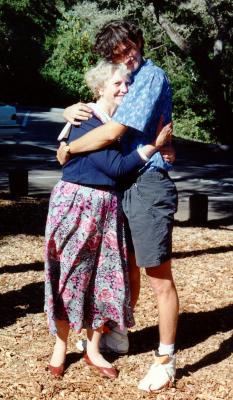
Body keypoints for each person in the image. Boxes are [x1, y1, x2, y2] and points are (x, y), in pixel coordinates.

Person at [57, 20, 179, 392]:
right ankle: (119, 333)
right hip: (121, 183)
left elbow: (113, 132)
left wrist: (69, 147)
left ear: (138, 41)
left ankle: (166, 359)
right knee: (125, 267)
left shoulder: (150, 77)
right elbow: (102, 109)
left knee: (159, 276)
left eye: (129, 47)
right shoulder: (125, 78)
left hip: (147, 183)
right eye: (118, 54)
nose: (127, 56)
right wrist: (68, 114)